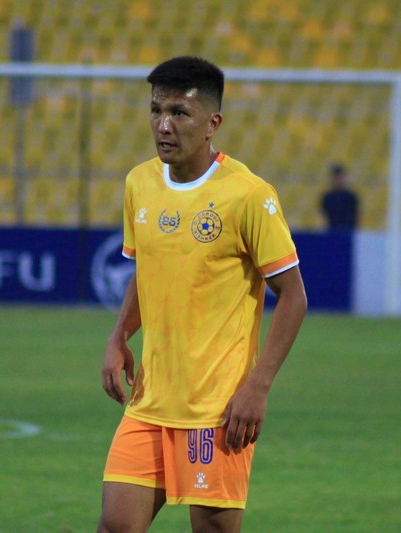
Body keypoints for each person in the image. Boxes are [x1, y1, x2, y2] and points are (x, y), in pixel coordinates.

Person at [98, 56, 308, 532]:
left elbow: (293, 296)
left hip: (217, 409)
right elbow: (148, 269)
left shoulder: (248, 194)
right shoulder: (139, 183)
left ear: (213, 123)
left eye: (179, 113)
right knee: (115, 526)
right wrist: (118, 337)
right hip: (150, 402)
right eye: (156, 111)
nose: (163, 125)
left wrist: (258, 387)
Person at [320, 163, 359, 230]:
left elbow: (357, 214)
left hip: (348, 230)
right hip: (332, 230)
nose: (338, 180)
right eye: (336, 178)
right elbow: (323, 215)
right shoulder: (328, 197)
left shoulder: (350, 196)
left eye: (340, 177)